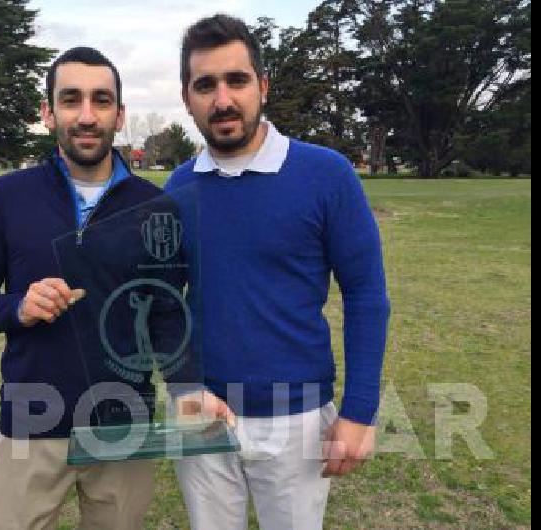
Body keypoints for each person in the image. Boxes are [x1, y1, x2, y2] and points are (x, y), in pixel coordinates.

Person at [0, 45, 229, 530]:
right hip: (32, 418)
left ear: (119, 116)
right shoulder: (5, 196)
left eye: (101, 101)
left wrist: (187, 389)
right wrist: (18, 307)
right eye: (71, 99)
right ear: (47, 112)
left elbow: (164, 314)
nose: (86, 115)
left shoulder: (154, 206)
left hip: (124, 424)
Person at [165, 14, 391, 529]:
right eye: (206, 85)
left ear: (262, 86)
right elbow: (161, 299)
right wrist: (182, 389)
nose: (222, 99)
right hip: (203, 415)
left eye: (236, 80)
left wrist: (358, 412)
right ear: (188, 98)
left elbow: (366, 295)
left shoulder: (325, 174)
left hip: (297, 419)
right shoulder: (178, 187)